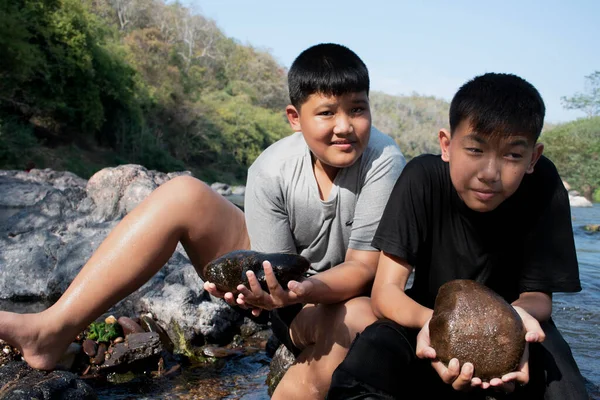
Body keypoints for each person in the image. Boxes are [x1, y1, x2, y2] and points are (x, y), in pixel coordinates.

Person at [0, 43, 405, 400]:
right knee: (183, 195)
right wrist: (269, 293)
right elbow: (273, 265)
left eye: (357, 109)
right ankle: (51, 329)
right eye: (326, 113)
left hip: (351, 298)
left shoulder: (383, 161)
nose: (344, 126)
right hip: (286, 300)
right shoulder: (271, 169)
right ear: (294, 117)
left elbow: (364, 269)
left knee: (359, 317)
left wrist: (302, 291)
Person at [327, 72, 589, 399]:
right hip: (426, 318)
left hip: (514, 323)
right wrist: (438, 328)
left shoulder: (543, 186)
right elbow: (385, 292)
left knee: (568, 390)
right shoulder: (422, 178)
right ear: (447, 145)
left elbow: (538, 299)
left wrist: (511, 326)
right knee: (362, 370)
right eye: (476, 150)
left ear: (533, 158)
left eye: (512, 155)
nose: (490, 173)